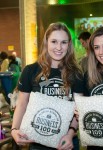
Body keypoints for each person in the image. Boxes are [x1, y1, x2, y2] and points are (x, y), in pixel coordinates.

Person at [11, 22, 84, 150]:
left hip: (66, 142)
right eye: (54, 41)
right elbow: (22, 103)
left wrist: (70, 133)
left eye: (63, 42)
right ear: (46, 43)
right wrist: (14, 129)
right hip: (37, 142)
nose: (59, 47)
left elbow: (78, 109)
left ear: (69, 45)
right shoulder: (31, 70)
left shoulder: (76, 73)